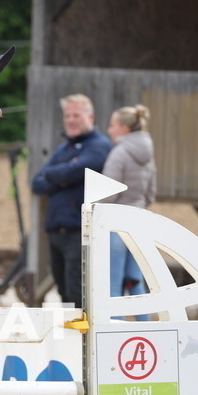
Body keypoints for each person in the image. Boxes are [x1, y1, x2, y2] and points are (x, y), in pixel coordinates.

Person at [32, 94, 112, 307]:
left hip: (80, 232)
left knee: (79, 293)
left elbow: (77, 170)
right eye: (67, 116)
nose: (71, 120)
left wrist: (57, 175)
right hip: (56, 232)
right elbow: (37, 183)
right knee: (63, 292)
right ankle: (68, 339)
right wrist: (64, 176)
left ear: (90, 116)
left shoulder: (99, 145)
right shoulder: (63, 149)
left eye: (76, 115)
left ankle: (81, 340)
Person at [100, 105, 156, 317]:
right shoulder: (148, 155)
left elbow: (108, 194)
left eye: (113, 126)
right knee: (134, 283)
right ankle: (146, 332)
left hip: (116, 225)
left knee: (113, 288)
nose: (109, 130)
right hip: (140, 224)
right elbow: (151, 193)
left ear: (124, 129)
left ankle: (115, 336)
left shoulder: (120, 153)